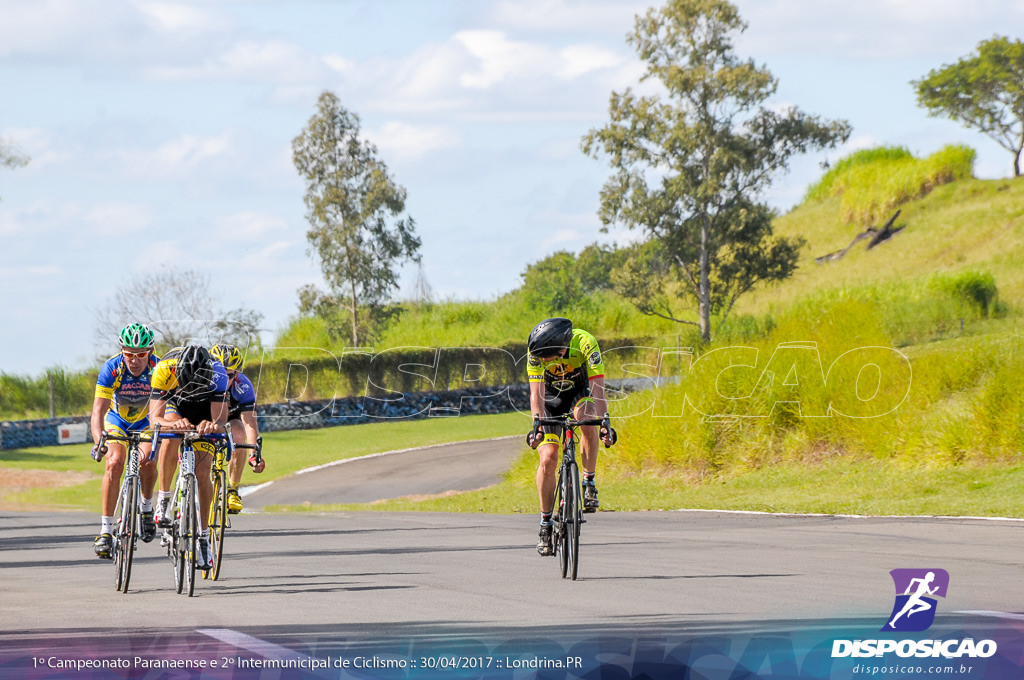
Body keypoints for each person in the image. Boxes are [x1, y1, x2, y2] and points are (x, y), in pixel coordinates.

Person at [525, 317, 616, 556]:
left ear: (562, 348)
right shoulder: (536, 351)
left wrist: (605, 421)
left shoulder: (585, 342)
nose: (542, 360)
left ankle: (588, 481)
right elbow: (536, 395)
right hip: (550, 400)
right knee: (548, 458)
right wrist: (537, 426)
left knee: (587, 418)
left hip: (580, 393)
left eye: (547, 356)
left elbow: (598, 388)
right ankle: (545, 524)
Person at [148, 344, 229, 570]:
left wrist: (211, 425)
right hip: (176, 406)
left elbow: (219, 420)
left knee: (203, 473)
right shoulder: (164, 369)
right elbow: (154, 419)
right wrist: (172, 423)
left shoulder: (219, 373)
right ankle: (164, 499)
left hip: (204, 409)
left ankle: (203, 537)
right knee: (171, 436)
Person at [89, 323, 161, 558]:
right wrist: (99, 441)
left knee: (149, 462)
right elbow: (98, 412)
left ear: (150, 352)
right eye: (129, 353)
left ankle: (147, 508)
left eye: (140, 354)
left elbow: (166, 406)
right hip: (117, 420)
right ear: (122, 352)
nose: (134, 359)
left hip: (147, 422)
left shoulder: (159, 369)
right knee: (114, 463)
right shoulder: (112, 367)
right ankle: (106, 530)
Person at [210, 343, 265, 513]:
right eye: (218, 374)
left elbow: (250, 423)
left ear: (238, 373)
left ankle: (233, 490)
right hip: (205, 417)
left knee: (239, 432)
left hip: (230, 420)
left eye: (229, 375)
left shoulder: (243, 386)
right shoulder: (202, 382)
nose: (224, 380)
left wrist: (253, 455)